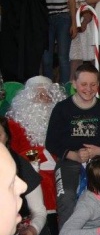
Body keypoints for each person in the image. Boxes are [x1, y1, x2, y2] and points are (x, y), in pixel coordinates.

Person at [45, 64, 100, 228]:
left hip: (99, 161)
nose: (88, 89)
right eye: (83, 84)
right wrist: (74, 155)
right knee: (66, 196)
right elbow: (50, 142)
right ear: (74, 83)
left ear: (98, 84)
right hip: (69, 160)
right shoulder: (61, 108)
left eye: (93, 84)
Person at [6, 76, 67, 212]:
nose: (43, 99)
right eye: (38, 95)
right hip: (30, 168)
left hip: (60, 164)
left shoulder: (62, 121)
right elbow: (13, 154)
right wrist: (38, 156)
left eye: (47, 95)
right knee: (42, 181)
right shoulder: (14, 124)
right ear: (27, 100)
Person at [0, 117, 50, 235]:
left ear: (7, 137)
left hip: (21, 231)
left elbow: (38, 210)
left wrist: (33, 229)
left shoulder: (22, 166)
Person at [0, 0, 48, 83]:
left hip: (25, 29)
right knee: (13, 60)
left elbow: (35, 2)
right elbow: (12, 1)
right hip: (13, 27)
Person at [40, 0, 77, 84]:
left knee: (63, 57)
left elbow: (72, 2)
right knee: (46, 58)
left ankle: (64, 89)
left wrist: (74, 23)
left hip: (63, 19)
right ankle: (48, 88)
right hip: (47, 20)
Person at [66, 0, 95, 78]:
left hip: (85, 18)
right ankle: (71, 84)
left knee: (90, 54)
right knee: (74, 56)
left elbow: (92, 0)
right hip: (69, 18)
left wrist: (86, 18)